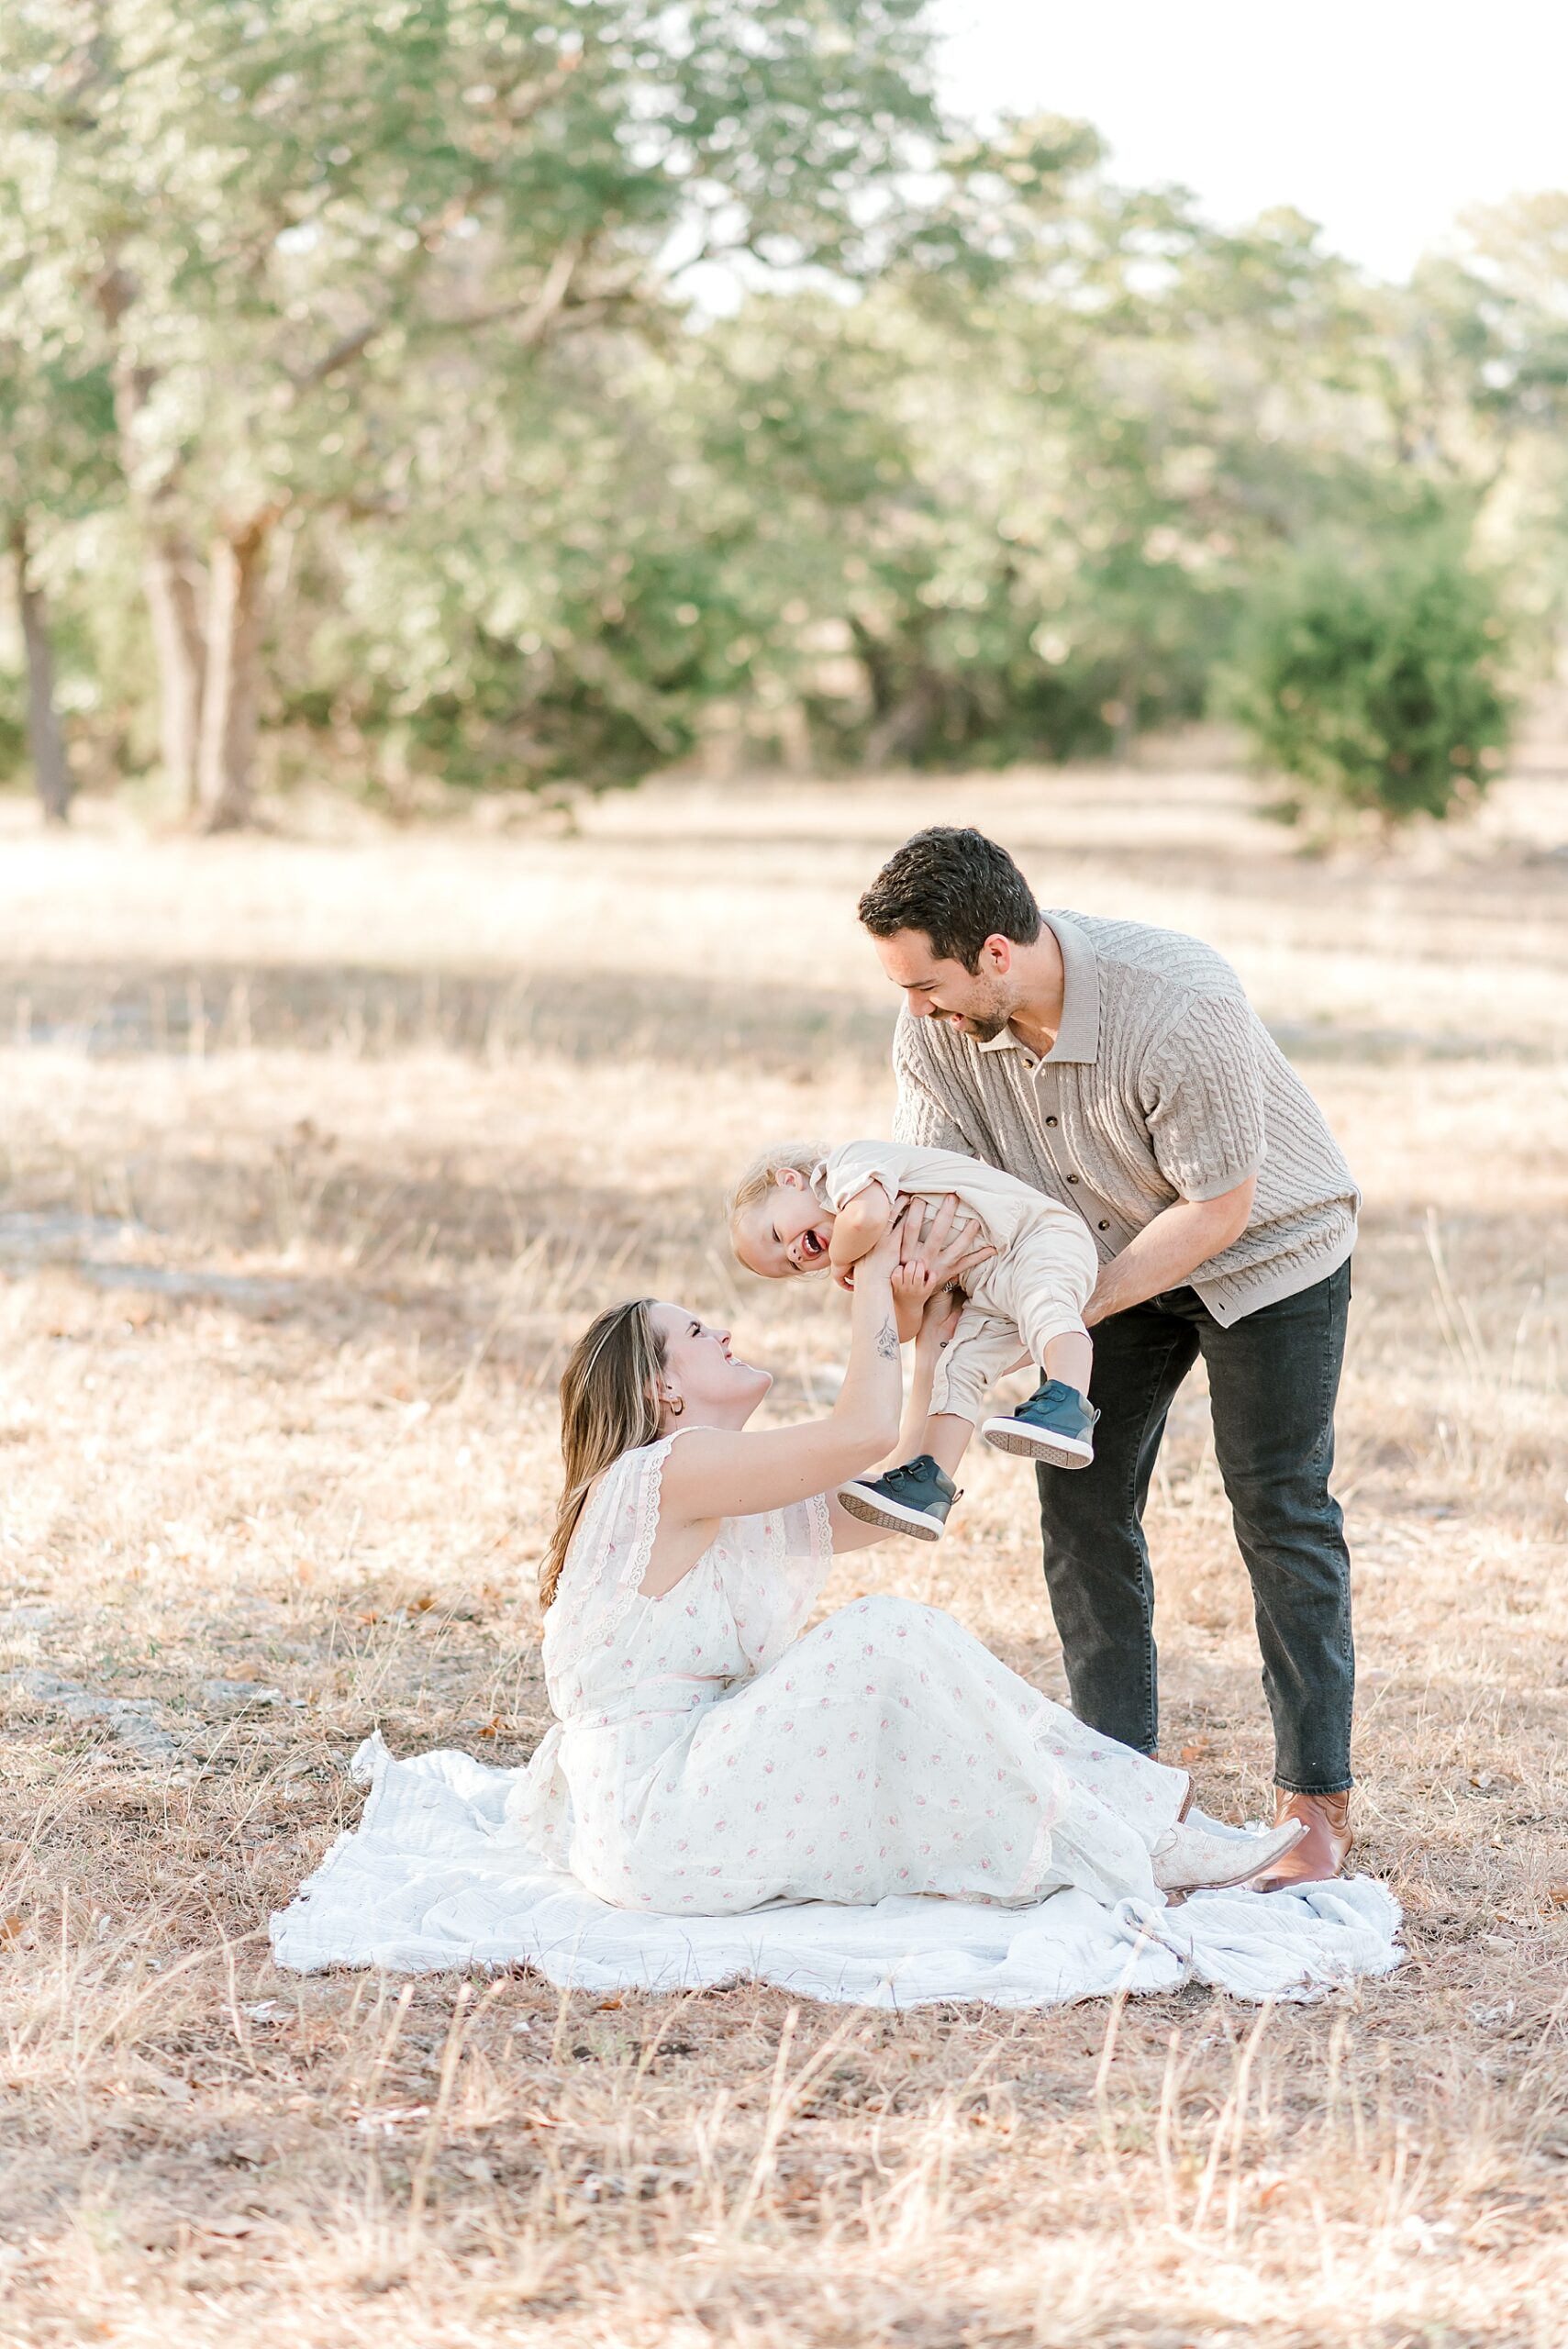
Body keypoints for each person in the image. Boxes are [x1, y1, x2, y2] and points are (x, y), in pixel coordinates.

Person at [503, 1202, 1306, 1916]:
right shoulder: (666, 1474)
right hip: (658, 1818)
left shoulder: (721, 1487)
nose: (724, 1334)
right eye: (696, 1334)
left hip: (692, 1793)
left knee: (898, 1652)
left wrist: (930, 1345)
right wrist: (877, 1289)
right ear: (660, 1391)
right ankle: (1135, 1838)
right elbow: (861, 1434)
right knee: (883, 1631)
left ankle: (1139, 1827)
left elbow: (898, 1501)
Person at [855, 827, 1361, 1892]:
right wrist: (912, 1281)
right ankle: (1118, 1788)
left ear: (997, 953)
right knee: (1078, 1499)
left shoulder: (1174, 1000)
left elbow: (1217, 1206)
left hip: (1265, 1248)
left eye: (926, 984)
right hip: (1086, 1254)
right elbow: (942, 1193)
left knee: (1278, 1504)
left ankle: (1313, 1804)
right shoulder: (937, 1032)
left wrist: (1059, 1312)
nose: (914, 1010)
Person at [727, 1135, 1101, 1536]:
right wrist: (909, 1295)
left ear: (790, 1181)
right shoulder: (868, 1252)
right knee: (958, 1370)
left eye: (776, 1236)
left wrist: (840, 1263)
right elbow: (902, 1330)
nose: (795, 1255)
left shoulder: (846, 1170)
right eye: (789, 1266)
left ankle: (1068, 1401)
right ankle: (929, 1480)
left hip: (1036, 1238)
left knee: (1044, 1304)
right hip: (987, 1288)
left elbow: (865, 1217)